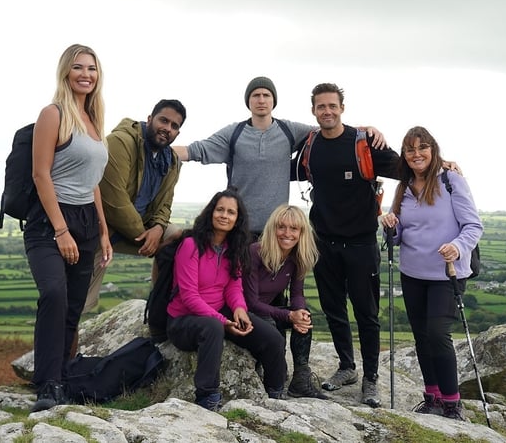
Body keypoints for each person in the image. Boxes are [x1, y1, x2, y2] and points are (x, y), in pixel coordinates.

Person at [290, 82, 401, 408]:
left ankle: (371, 379)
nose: (327, 111)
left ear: (342, 108)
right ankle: (347, 368)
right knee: (334, 309)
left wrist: (443, 165)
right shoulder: (309, 145)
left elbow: (405, 168)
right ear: (313, 111)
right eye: (321, 106)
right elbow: (284, 170)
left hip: (361, 242)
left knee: (367, 315)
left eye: (332, 106)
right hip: (323, 241)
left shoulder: (364, 142)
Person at [172, 76, 386, 236]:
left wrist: (364, 130)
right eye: (256, 95)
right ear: (248, 101)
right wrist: (157, 148)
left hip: (276, 231)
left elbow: (329, 129)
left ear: (274, 101)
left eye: (267, 95)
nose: (261, 100)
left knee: (271, 292)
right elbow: (196, 150)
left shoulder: (288, 130)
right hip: (239, 228)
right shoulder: (233, 133)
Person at [23, 44, 112, 412]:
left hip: (87, 222)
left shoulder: (93, 120)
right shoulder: (53, 114)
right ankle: (46, 385)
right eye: (78, 67)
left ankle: (59, 379)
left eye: (91, 68)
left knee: (73, 308)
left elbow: (92, 182)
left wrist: (104, 231)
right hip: (50, 222)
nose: (85, 74)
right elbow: (40, 173)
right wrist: (61, 231)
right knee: (54, 295)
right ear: (65, 72)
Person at [380, 126, 482, 421]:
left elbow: (473, 226)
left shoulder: (451, 180)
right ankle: (432, 397)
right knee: (422, 337)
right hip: (412, 273)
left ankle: (452, 403)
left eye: (422, 147)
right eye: (410, 150)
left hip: (447, 273)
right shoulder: (403, 187)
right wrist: (390, 225)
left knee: (438, 334)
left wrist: (457, 246)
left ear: (433, 150)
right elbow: (398, 237)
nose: (416, 154)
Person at [166, 188, 287, 411]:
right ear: (211, 213)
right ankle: (207, 396)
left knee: (274, 339)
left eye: (231, 212)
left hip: (220, 312)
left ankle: (275, 394)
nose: (224, 215)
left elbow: (234, 285)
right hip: (184, 321)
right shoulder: (191, 246)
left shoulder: (234, 249)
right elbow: (190, 296)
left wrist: (239, 309)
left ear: (237, 219)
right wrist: (222, 321)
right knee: (213, 327)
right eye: (220, 209)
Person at [84, 99, 187, 314]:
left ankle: (160, 309)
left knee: (178, 239)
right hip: (101, 228)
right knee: (80, 301)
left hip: (141, 227)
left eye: (174, 126)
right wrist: (145, 236)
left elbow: (165, 204)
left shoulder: (172, 161)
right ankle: (65, 342)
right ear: (150, 119)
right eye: (164, 120)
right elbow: (114, 202)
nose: (167, 128)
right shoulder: (120, 142)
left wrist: (158, 228)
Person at [243, 204, 327, 399]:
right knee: (272, 325)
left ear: (301, 232)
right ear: (273, 228)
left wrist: (299, 313)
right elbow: (251, 302)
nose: (287, 233)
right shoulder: (255, 252)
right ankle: (272, 384)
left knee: (305, 317)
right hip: (245, 312)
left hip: (267, 311)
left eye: (294, 228)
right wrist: (289, 315)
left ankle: (300, 380)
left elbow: (297, 293)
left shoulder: (297, 257)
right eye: (281, 227)